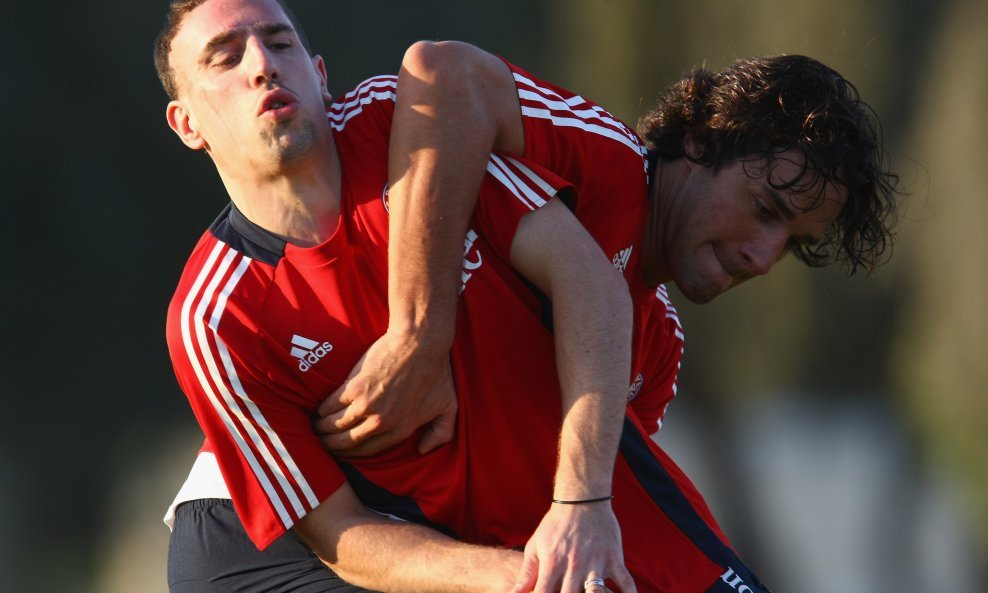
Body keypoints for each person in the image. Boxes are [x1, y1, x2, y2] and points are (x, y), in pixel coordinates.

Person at [156, 1, 899, 592]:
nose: (764, 256)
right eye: (765, 210)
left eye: (792, 244)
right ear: (703, 146)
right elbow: (443, 74)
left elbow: (555, 494)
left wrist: (556, 543)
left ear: (317, 70)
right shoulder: (592, 157)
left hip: (415, 530)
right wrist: (421, 333)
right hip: (269, 527)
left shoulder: (655, 346)